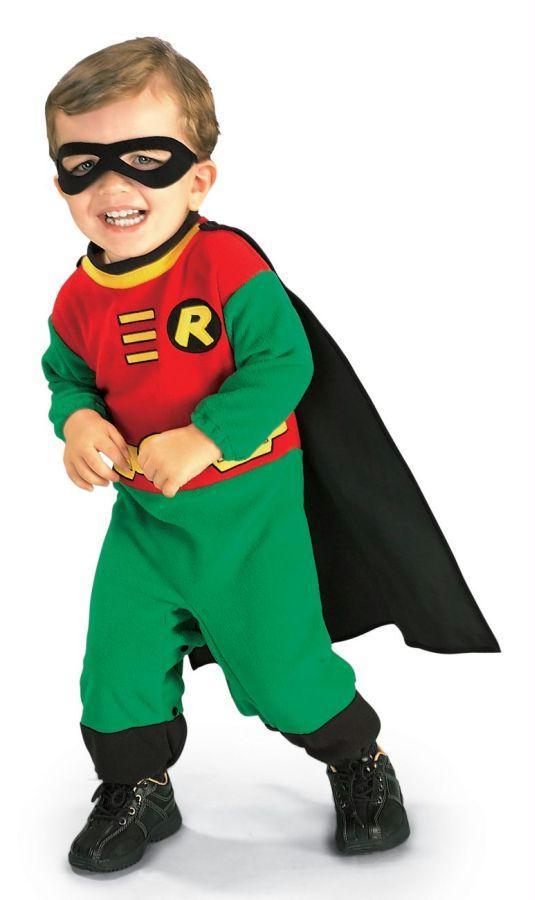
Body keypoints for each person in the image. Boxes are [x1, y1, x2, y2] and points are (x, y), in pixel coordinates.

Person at [41, 36, 499, 874]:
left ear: (197, 179)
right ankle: (137, 785)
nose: (113, 187)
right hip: (146, 524)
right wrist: (75, 422)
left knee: (283, 670)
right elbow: (66, 375)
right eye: (83, 165)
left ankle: (357, 761)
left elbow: (284, 362)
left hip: (249, 520)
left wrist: (205, 435)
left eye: (144, 160)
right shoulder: (78, 297)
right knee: (116, 663)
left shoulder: (225, 264)